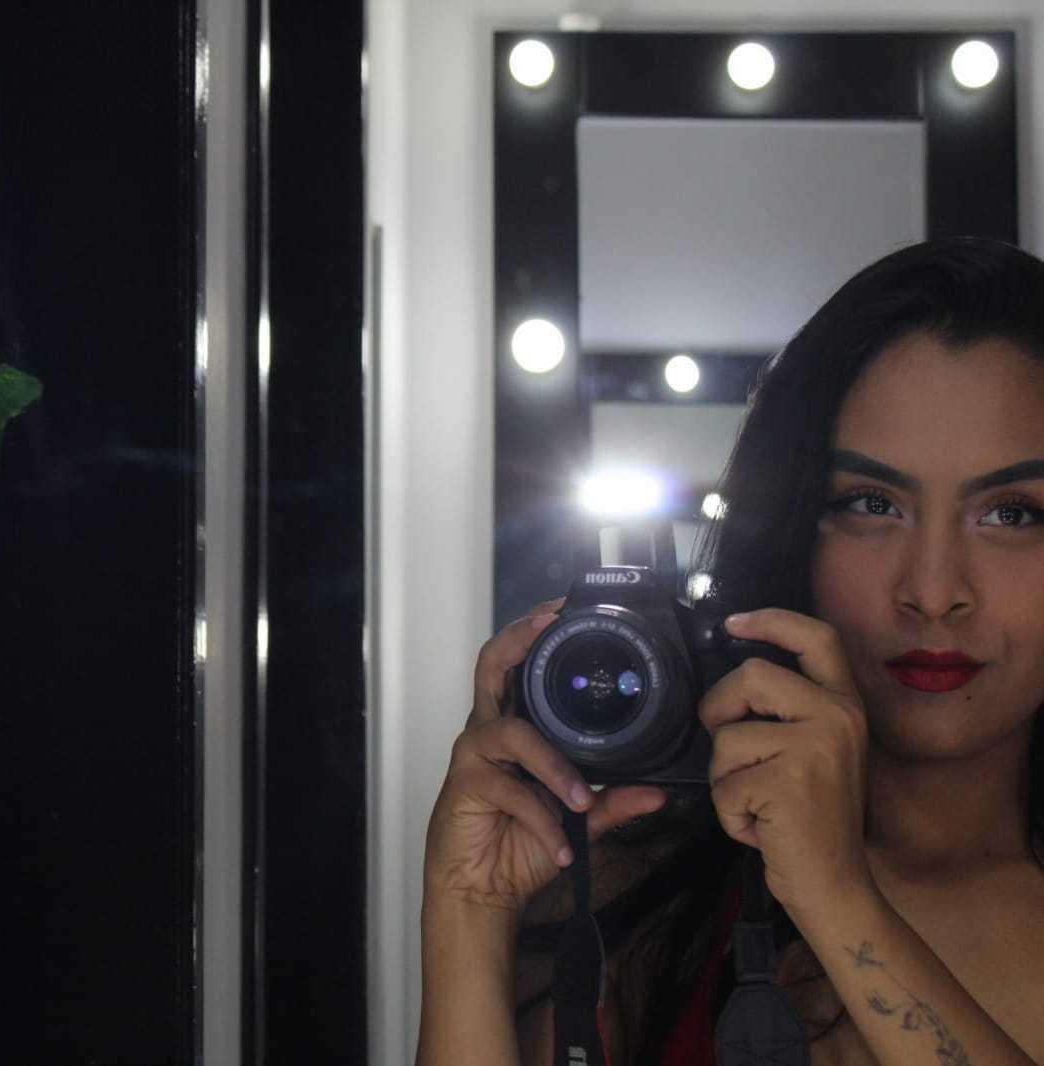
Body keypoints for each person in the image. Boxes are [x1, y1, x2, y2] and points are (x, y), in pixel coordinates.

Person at [416, 236, 1044, 1066]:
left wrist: (836, 898)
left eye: (1010, 513)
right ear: (792, 522)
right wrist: (465, 914)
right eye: (869, 503)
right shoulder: (630, 901)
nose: (931, 591)